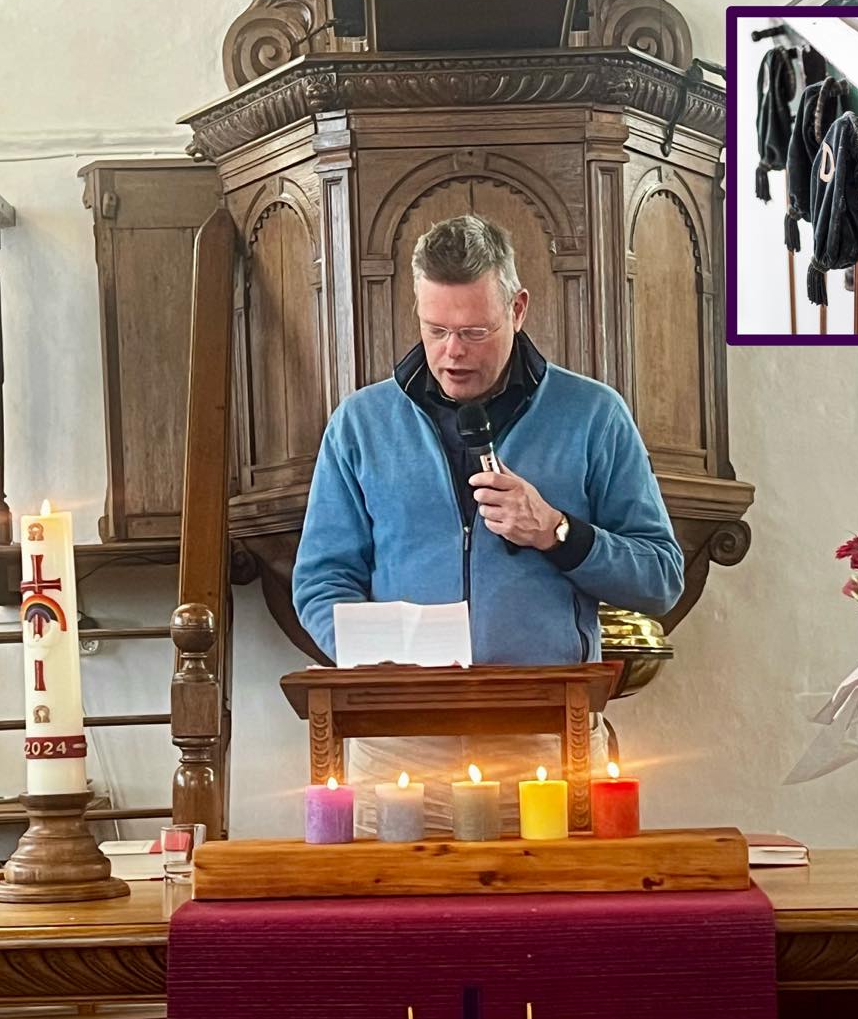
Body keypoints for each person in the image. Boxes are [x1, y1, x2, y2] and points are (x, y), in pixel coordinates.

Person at [293, 214, 684, 832]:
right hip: (397, 753)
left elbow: (661, 579)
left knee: (553, 902)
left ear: (518, 309)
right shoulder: (360, 424)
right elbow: (320, 583)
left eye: (475, 331)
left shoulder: (593, 415)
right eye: (436, 329)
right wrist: (374, 660)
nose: (453, 352)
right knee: (392, 902)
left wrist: (557, 532)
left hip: (546, 747)